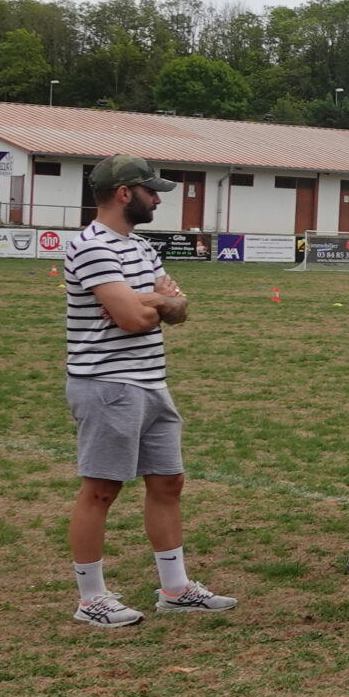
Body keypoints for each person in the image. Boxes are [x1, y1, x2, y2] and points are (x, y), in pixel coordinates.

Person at [62, 154, 232, 627]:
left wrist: (156, 301)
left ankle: (175, 588)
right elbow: (135, 319)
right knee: (100, 490)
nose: (157, 199)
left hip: (151, 382)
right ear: (124, 193)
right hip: (107, 385)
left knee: (168, 483)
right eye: (151, 191)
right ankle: (91, 598)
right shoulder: (94, 247)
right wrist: (158, 301)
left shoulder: (139, 247)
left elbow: (179, 309)